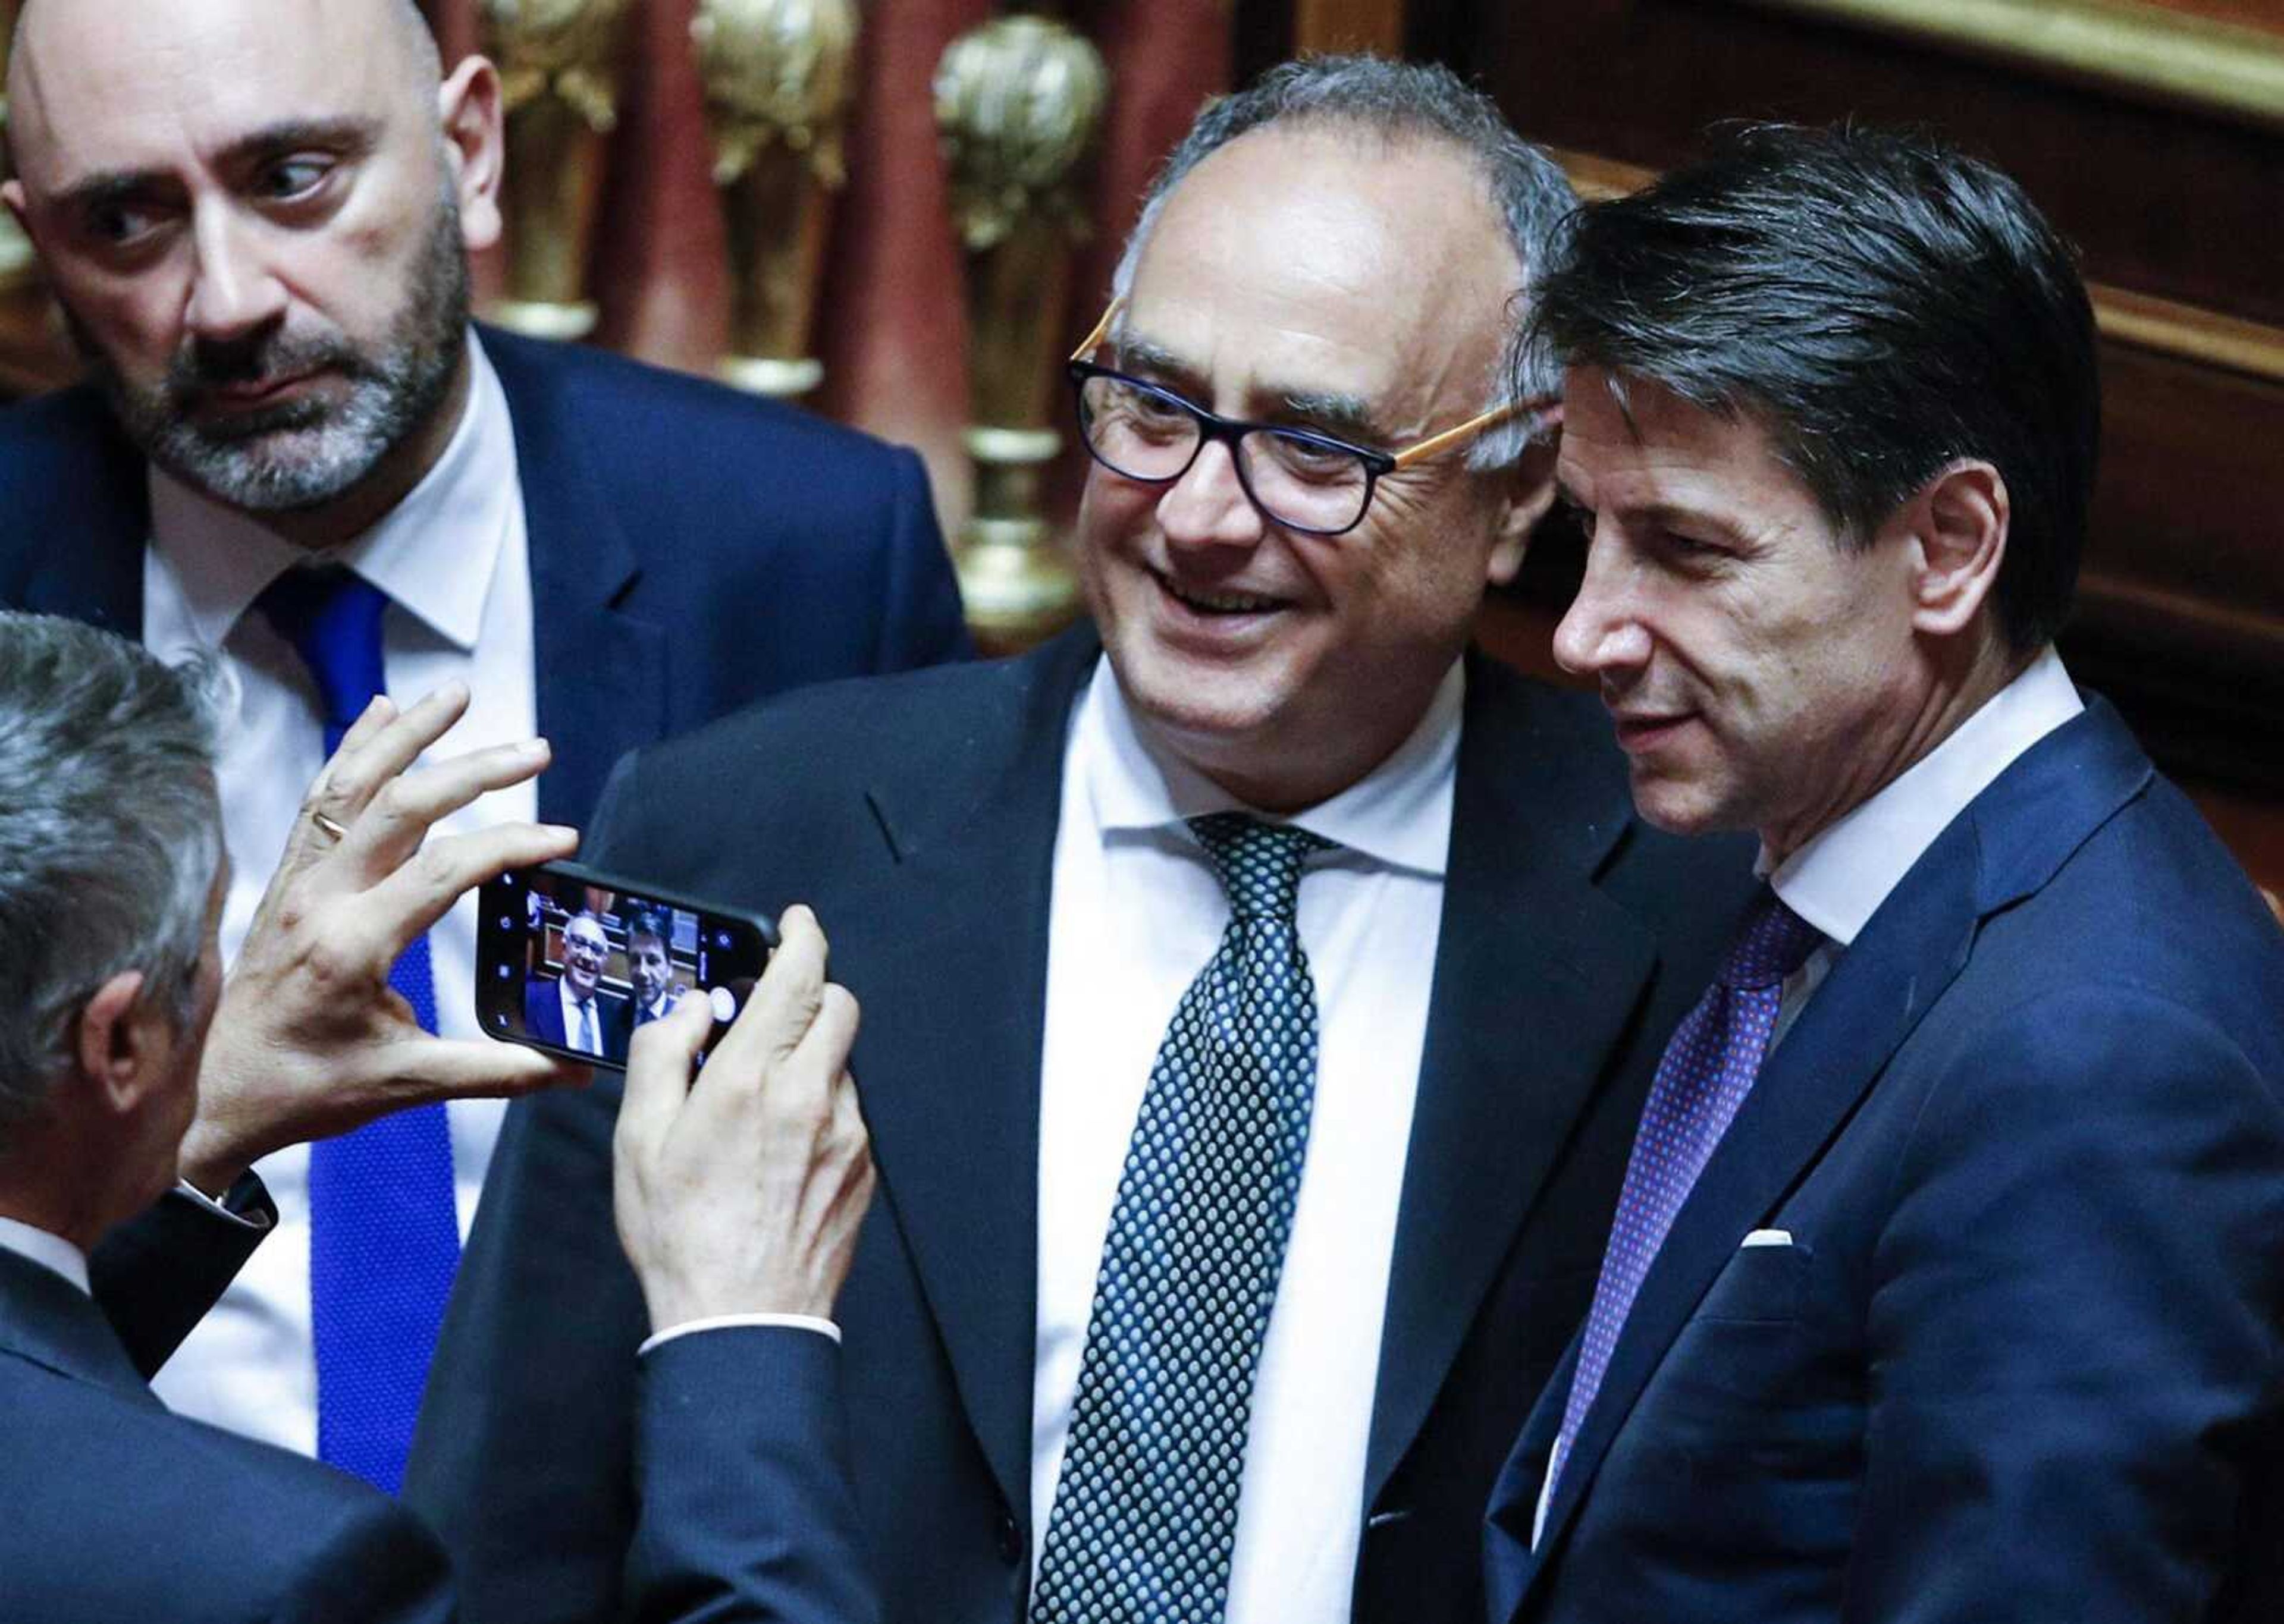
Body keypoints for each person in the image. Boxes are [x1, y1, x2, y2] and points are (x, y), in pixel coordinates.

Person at [412, 56, 1758, 1624]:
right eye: (1156, 408)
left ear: (1520, 484)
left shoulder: (1705, 929)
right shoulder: (737, 838)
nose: (1196, 517)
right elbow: (512, 1534)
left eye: (1317, 453)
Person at [0, 0, 968, 1479]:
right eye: (125, 219)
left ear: (470, 150)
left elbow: (927, 1193)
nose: (229, 299)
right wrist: (200, 1137)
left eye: (295, 179)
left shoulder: (809, 553)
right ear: (34, 241)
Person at [1480, 125, 2284, 1624]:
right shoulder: (1811, 892)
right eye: (1593, 535)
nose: (1586, 631)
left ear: (1947, 546)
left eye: (1684, 549)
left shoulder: (2095, 1054)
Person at [0, 611, 881, 1624]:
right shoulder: (287, 1574)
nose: (232, 992)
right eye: (213, 948)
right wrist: (740, 1323)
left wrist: (177, 1124)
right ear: (116, 1044)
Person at [523, 911, 626, 1061]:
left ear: (605, 962)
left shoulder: (617, 1019)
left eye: (596, 950)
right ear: (564, 949)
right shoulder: (529, 998)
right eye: (579, 944)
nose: (587, 956)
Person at [614, 904, 683, 1055]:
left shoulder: (681, 1021)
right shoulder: (614, 1016)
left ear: (669, 965)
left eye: (652, 961)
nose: (643, 972)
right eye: (635, 960)